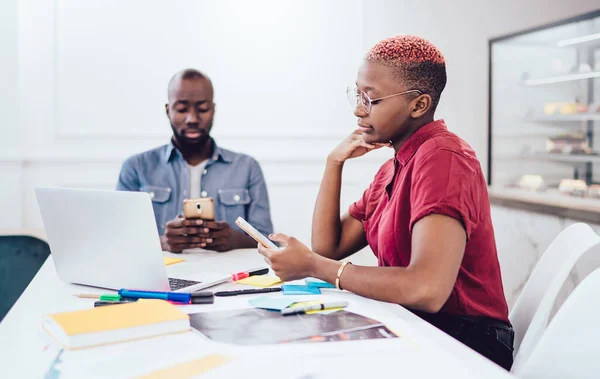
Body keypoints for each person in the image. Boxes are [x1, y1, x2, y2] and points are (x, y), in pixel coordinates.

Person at [257, 36, 514, 370]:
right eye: (357, 94)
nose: (358, 109)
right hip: (420, 324)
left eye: (371, 99)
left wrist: (312, 266)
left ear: (419, 106)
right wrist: (333, 163)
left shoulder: (444, 159)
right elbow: (329, 247)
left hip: (467, 341)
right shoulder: (394, 166)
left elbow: (426, 289)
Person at [117, 69, 273, 253]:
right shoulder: (136, 168)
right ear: (168, 111)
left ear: (213, 110)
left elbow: (269, 242)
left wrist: (235, 240)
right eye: (182, 109)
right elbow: (119, 240)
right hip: (163, 278)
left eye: (202, 109)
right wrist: (163, 242)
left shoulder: (247, 167)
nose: (192, 119)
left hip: (230, 277)